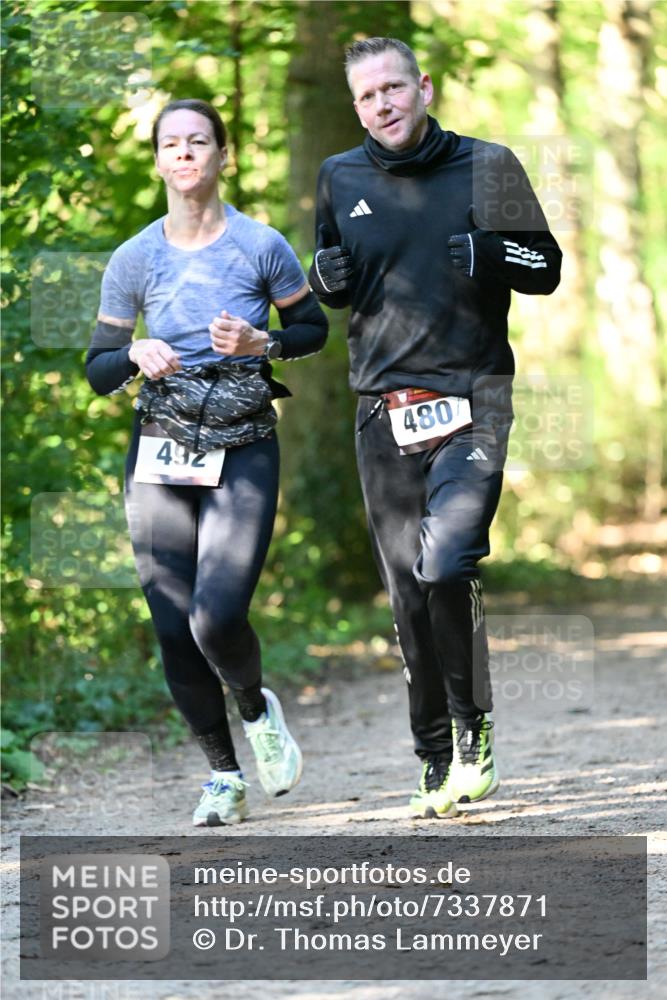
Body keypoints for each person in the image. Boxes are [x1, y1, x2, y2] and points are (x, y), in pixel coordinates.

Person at [309, 38, 562, 818]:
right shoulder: (338, 176)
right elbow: (328, 274)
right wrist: (323, 278)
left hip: (472, 399)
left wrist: (491, 252)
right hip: (381, 410)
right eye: (366, 97)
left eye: (393, 88)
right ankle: (429, 755)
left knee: (444, 564)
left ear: (422, 86)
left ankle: (471, 730)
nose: (382, 104)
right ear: (356, 107)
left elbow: (545, 266)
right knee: (406, 596)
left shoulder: (487, 166)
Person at [86, 98, 328, 826]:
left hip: (243, 443)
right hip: (160, 448)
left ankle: (256, 709)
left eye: (199, 141)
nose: (186, 153)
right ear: (158, 160)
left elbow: (312, 328)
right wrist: (131, 352)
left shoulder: (261, 245)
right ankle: (223, 776)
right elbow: (97, 368)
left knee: (216, 615)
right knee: (170, 622)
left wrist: (264, 344)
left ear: (223, 155)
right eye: (171, 143)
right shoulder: (135, 257)